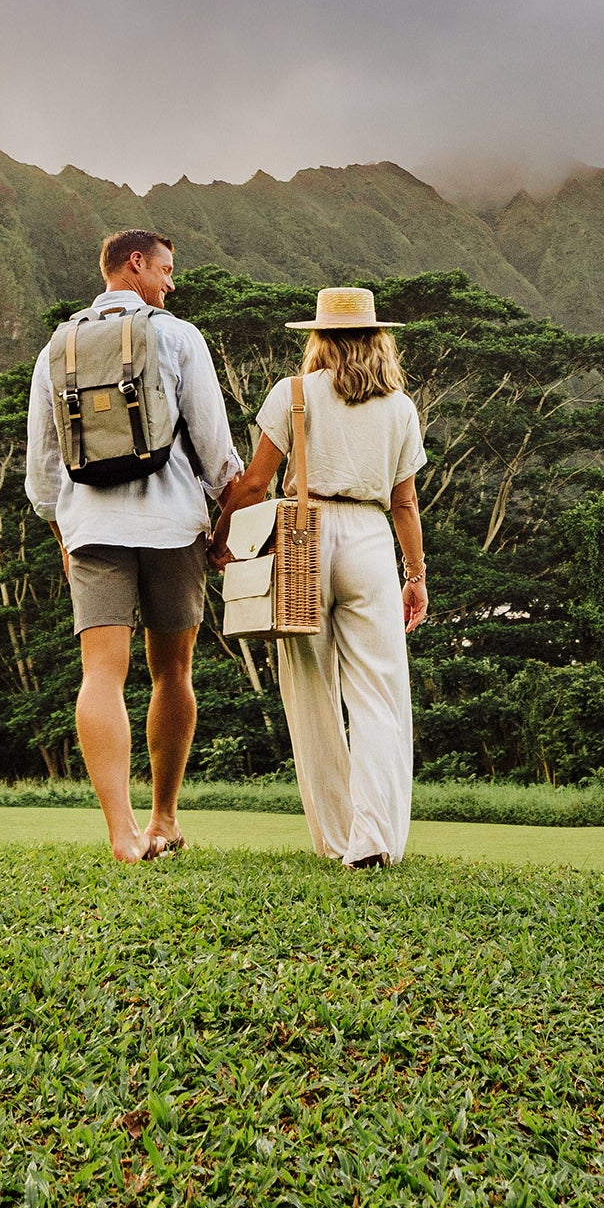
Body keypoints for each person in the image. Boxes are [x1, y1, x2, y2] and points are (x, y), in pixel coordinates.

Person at [25, 228, 241, 863]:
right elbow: (215, 448)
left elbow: (43, 472)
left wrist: (65, 529)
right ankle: (164, 820)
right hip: (173, 528)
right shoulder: (177, 337)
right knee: (172, 671)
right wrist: (225, 516)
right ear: (136, 265)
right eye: (167, 271)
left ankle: (121, 835)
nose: (172, 284)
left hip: (91, 531)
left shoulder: (55, 349)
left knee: (101, 674)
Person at [215, 285, 428, 870]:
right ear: (377, 337)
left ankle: (336, 839)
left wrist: (223, 540)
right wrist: (416, 574)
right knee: (379, 694)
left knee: (310, 691)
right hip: (368, 536)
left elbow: (255, 483)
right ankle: (374, 839)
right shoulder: (400, 409)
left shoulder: (294, 394)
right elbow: (405, 504)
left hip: (302, 537)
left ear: (319, 336)